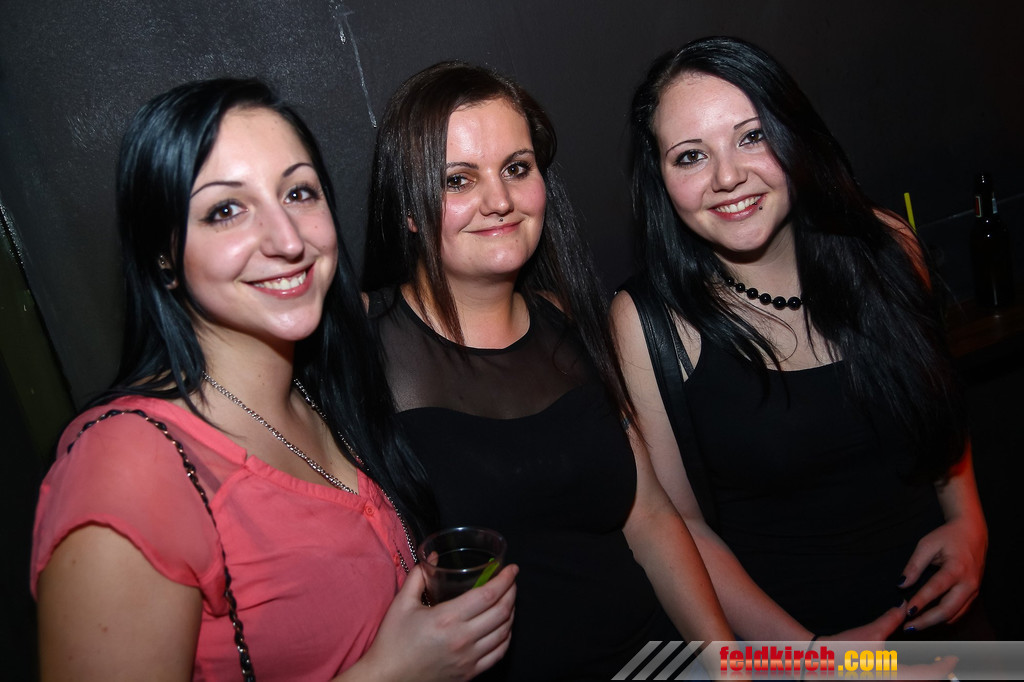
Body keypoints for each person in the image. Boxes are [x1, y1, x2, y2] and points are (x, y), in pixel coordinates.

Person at [31, 78, 517, 681]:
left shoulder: (323, 393)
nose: (288, 241)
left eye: (299, 193)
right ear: (163, 255)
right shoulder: (127, 465)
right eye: (226, 210)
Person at [362, 61, 733, 681]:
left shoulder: (568, 319)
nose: (499, 201)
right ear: (408, 208)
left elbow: (650, 517)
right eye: (458, 179)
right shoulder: (365, 345)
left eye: (516, 168)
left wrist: (726, 662)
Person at [611, 35, 988, 642]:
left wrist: (968, 522)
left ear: (794, 135)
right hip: (793, 649)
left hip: (950, 619)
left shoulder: (889, 247)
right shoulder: (649, 322)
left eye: (752, 136)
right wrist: (810, 660)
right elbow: (681, 528)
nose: (727, 177)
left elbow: (935, 402)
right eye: (690, 156)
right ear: (661, 178)